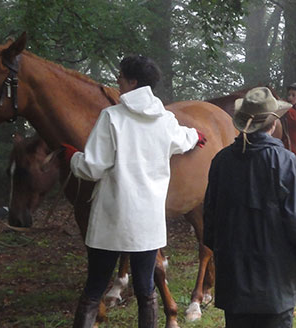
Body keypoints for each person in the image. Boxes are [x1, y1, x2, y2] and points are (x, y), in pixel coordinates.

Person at [64, 55, 206, 328]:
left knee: (94, 289)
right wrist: (195, 136)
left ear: (133, 82)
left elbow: (92, 168)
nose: (117, 80)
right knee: (145, 290)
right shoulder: (165, 119)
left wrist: (72, 157)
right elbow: (183, 138)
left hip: (111, 218)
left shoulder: (111, 117)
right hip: (147, 223)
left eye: (121, 76)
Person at [203, 87, 296, 328]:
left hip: (234, 278)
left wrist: (222, 252)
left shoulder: (221, 161)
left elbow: (211, 218)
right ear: (273, 122)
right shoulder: (285, 161)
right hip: (274, 280)